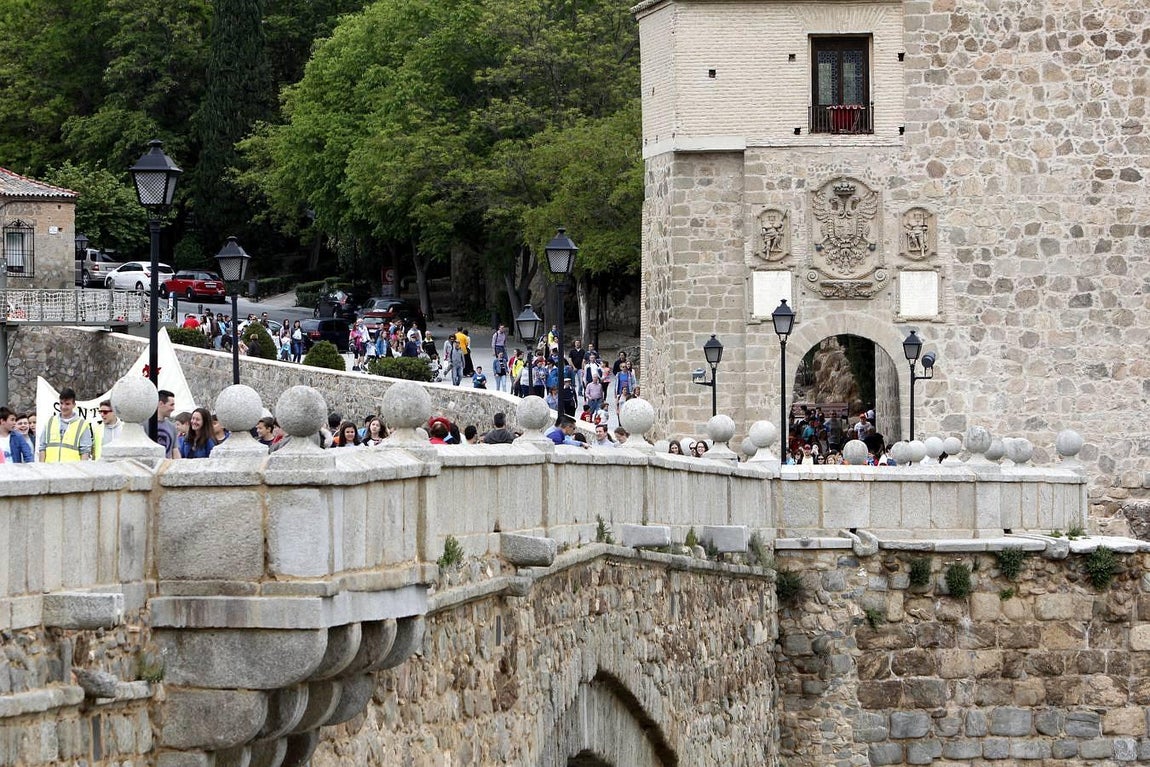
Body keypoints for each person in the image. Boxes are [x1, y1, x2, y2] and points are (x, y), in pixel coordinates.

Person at [39, 388, 94, 462]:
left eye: (67, 404)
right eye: (61, 403)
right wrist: (42, 468)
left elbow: (85, 452)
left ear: (74, 405)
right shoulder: (50, 422)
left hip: (71, 471)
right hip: (50, 470)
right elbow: (42, 447)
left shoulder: (82, 425)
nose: (63, 407)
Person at [156, 390, 179, 459]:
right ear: (161, 404)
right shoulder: (143, 425)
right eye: (171, 405)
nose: (173, 408)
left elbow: (175, 452)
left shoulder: (172, 427)